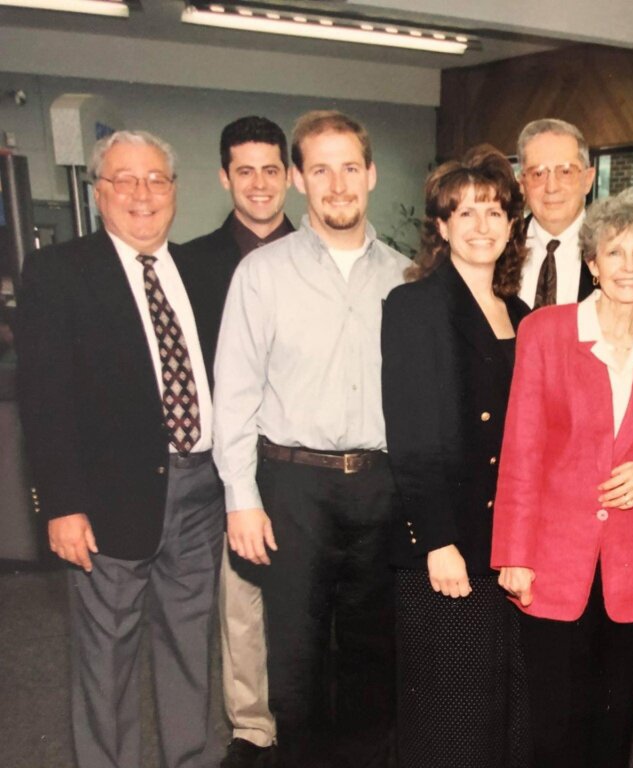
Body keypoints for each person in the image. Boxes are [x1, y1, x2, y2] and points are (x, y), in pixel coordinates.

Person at [17, 130, 230, 768]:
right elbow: (44, 400)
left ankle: (188, 759)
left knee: (190, 645)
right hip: (108, 502)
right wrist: (62, 504)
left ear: (175, 190)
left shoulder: (201, 271)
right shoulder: (59, 272)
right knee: (107, 655)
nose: (143, 194)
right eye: (125, 180)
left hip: (201, 491)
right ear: (98, 191)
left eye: (156, 179)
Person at [213, 110, 407, 768]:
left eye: (350, 167)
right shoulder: (262, 274)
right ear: (299, 180)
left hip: (380, 487)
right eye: (320, 170)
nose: (337, 184)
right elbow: (234, 393)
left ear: (371, 174)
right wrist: (241, 498)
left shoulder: (406, 277)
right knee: (296, 661)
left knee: (372, 656)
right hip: (292, 489)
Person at [492, 187, 633, 768]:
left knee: (614, 718)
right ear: (593, 264)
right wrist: (514, 554)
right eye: (614, 252)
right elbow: (521, 448)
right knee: (554, 724)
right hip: (553, 558)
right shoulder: (546, 332)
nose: (628, 265)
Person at [381, 146, 531, 768]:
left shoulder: (521, 314)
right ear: (441, 227)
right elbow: (411, 435)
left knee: (498, 708)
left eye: (493, 211)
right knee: (448, 716)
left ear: (511, 225)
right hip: (446, 545)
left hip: (505, 544)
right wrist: (438, 541)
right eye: (464, 212)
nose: (481, 225)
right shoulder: (414, 306)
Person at [183, 115, 294, 768]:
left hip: (304, 460)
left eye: (270, 170)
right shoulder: (191, 264)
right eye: (244, 170)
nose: (258, 183)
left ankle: (306, 717)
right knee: (242, 602)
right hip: (226, 464)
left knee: (311, 599)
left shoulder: (318, 255)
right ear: (225, 177)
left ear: (290, 177)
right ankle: (252, 728)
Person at [516, 118, 633, 314]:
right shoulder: (499, 249)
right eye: (538, 174)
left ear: (588, 179)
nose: (552, 187)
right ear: (522, 184)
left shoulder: (623, 251)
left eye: (565, 172)